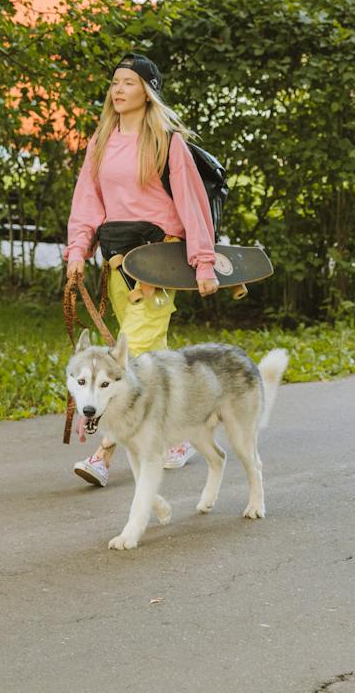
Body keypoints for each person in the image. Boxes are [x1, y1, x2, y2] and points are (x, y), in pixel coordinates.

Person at [63, 52, 218, 487]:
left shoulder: (168, 142)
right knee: (156, 358)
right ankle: (181, 436)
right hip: (117, 263)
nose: (118, 89)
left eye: (128, 82)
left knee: (128, 359)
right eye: (114, 82)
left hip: (158, 265)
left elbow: (193, 204)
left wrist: (203, 263)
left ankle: (102, 454)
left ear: (147, 91)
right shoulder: (101, 142)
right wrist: (78, 250)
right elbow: (87, 202)